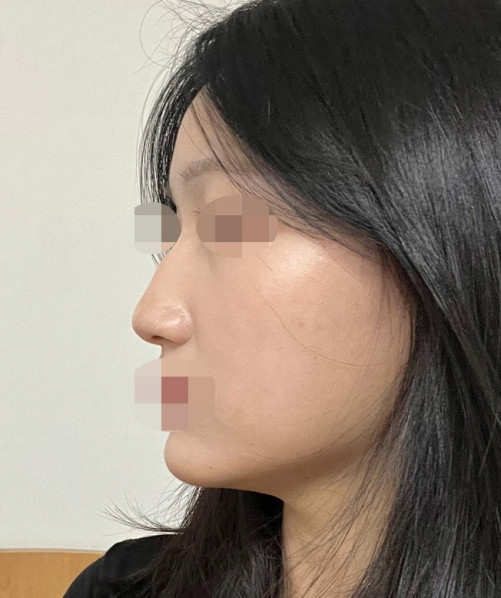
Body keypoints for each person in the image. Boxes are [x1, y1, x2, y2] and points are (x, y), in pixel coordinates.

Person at [63, 0, 501, 596]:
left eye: (229, 225)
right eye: (172, 235)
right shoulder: (121, 588)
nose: (152, 316)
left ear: (450, 236)